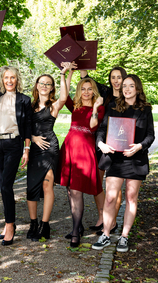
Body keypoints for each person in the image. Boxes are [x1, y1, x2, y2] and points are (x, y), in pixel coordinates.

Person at [0, 30, 32, 246]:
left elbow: (27, 126)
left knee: (6, 185)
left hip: (13, 144)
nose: (9, 80)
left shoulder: (24, 100)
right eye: (6, 77)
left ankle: (10, 225)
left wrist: (27, 150)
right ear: (2, 80)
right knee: (4, 185)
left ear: (17, 80)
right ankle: (8, 223)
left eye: (12, 77)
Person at [93, 74, 155, 252]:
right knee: (111, 197)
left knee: (130, 197)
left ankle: (124, 237)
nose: (127, 89)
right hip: (115, 158)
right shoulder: (113, 106)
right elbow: (101, 130)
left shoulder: (145, 109)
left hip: (135, 158)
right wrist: (101, 144)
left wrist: (139, 146)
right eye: (125, 86)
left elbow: (150, 136)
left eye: (131, 86)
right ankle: (105, 234)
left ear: (137, 89)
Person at [56, 74, 105, 248]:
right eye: (83, 89)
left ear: (94, 91)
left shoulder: (99, 107)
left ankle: (76, 231)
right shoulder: (74, 105)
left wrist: (95, 107)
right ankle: (78, 225)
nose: (86, 92)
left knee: (76, 191)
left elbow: (93, 126)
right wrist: (66, 73)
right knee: (70, 189)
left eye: (89, 89)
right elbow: (63, 93)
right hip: (69, 148)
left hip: (84, 151)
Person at [26, 63, 71, 242]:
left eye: (48, 84)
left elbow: (64, 95)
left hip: (50, 148)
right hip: (35, 149)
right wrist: (33, 138)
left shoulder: (53, 106)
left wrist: (64, 74)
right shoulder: (27, 106)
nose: (44, 86)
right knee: (31, 187)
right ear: (37, 85)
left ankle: (45, 225)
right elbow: (22, 128)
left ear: (51, 88)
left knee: (47, 183)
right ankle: (33, 223)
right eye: (41, 83)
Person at [80, 67, 127, 235]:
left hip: (121, 146)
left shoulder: (128, 95)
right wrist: (81, 60)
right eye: (113, 77)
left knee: (115, 187)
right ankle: (102, 217)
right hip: (102, 144)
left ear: (124, 79)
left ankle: (112, 221)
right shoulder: (105, 94)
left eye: (119, 77)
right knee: (97, 184)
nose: (116, 80)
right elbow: (87, 78)